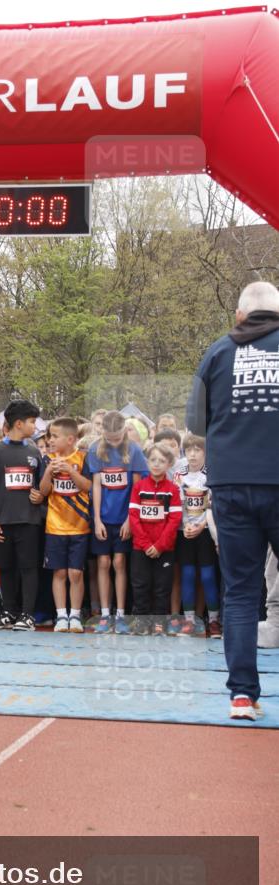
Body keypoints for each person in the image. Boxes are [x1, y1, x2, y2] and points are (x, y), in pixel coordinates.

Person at [186, 280, 279, 721]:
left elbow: (195, 423)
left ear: (240, 315)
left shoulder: (218, 352)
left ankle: (242, 695)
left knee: (241, 593)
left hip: (232, 483)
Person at [0, 399, 42, 631]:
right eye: (31, 422)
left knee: (28, 568)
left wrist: (40, 499)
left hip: (29, 521)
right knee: (5, 567)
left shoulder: (34, 452)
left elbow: (41, 486)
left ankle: (27, 615)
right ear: (18, 423)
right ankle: (8, 611)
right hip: (3, 521)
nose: (34, 426)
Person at [87, 411, 148, 634]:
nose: (113, 442)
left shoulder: (134, 450)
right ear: (102, 431)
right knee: (103, 563)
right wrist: (97, 520)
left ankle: (121, 613)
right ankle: (105, 613)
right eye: (109, 437)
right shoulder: (95, 449)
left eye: (117, 437)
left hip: (125, 517)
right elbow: (95, 486)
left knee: (120, 562)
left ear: (124, 431)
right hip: (103, 517)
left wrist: (130, 521)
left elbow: (137, 488)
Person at [39, 418, 92, 634]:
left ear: (70, 439)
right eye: (49, 436)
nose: (50, 440)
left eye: (54, 436)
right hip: (55, 526)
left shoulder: (83, 458)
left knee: (75, 573)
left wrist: (71, 471)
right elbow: (43, 491)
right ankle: (61, 615)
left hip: (79, 526)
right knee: (59, 572)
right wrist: (48, 472)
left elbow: (87, 486)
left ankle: (76, 615)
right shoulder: (47, 459)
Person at [169, 434, 221, 637]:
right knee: (187, 575)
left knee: (207, 576)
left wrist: (200, 527)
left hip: (206, 532)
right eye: (188, 450)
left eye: (197, 450)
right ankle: (189, 621)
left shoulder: (211, 474)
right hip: (185, 532)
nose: (192, 454)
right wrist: (186, 525)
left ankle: (214, 620)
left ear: (205, 453)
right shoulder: (179, 474)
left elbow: (211, 506)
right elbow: (177, 504)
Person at [128, 443, 182, 635]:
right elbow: (134, 518)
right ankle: (141, 621)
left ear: (169, 464)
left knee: (162, 587)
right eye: (153, 460)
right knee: (140, 585)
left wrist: (159, 546)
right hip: (140, 548)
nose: (156, 464)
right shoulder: (139, 487)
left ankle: (160, 622)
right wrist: (145, 544)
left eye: (161, 461)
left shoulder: (173, 490)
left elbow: (174, 520)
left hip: (164, 549)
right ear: (147, 462)